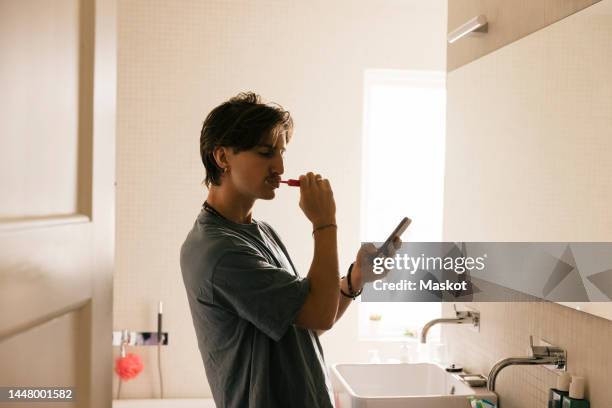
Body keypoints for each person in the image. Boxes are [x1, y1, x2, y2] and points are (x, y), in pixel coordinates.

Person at [180, 92, 399, 408]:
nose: (280, 166)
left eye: (282, 153)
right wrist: (325, 223)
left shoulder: (260, 232)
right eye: (266, 153)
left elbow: (305, 321)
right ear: (223, 158)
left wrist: (356, 278)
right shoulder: (220, 252)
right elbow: (320, 316)